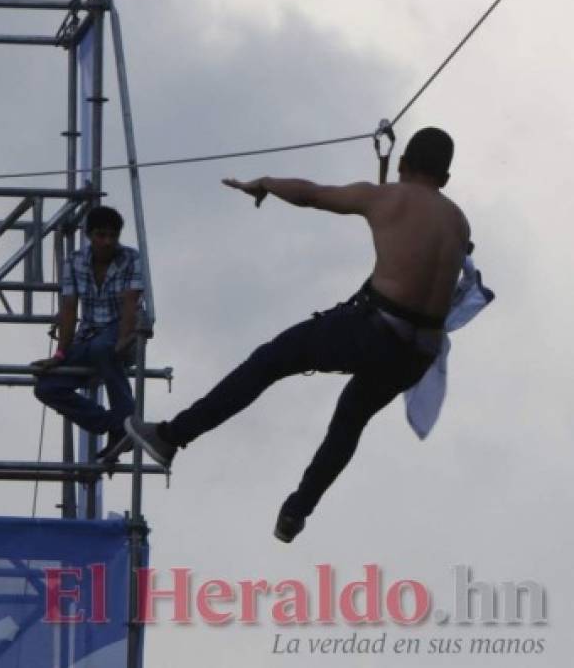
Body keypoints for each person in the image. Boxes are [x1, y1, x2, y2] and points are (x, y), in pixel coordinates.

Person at [126, 127, 471, 542]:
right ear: (446, 178)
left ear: (402, 165)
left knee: (273, 359)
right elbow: (418, 249)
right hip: (417, 353)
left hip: (376, 330)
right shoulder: (458, 222)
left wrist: (267, 183)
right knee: (350, 421)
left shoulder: (386, 198)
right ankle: (296, 511)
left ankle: (171, 436)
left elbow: (312, 194)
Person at [32, 205, 143, 460]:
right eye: (101, 235)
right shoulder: (75, 261)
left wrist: (123, 342)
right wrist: (60, 354)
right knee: (46, 387)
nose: (107, 242)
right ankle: (113, 425)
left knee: (102, 348)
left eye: (112, 236)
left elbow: (130, 304)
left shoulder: (131, 259)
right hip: (89, 333)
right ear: (89, 235)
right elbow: (69, 309)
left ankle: (126, 424)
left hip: (119, 328)